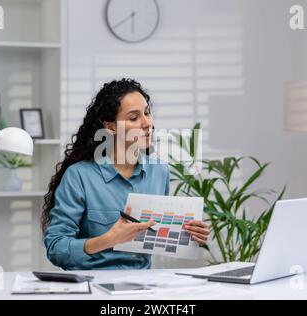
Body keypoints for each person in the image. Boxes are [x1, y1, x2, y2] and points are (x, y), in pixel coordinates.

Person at [41, 78, 209, 270]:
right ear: (111, 127)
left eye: (147, 113)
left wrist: (189, 234)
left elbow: (156, 234)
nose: (147, 124)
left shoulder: (159, 171)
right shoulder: (79, 176)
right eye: (134, 117)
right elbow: (56, 248)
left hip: (143, 285)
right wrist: (108, 240)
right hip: (93, 284)